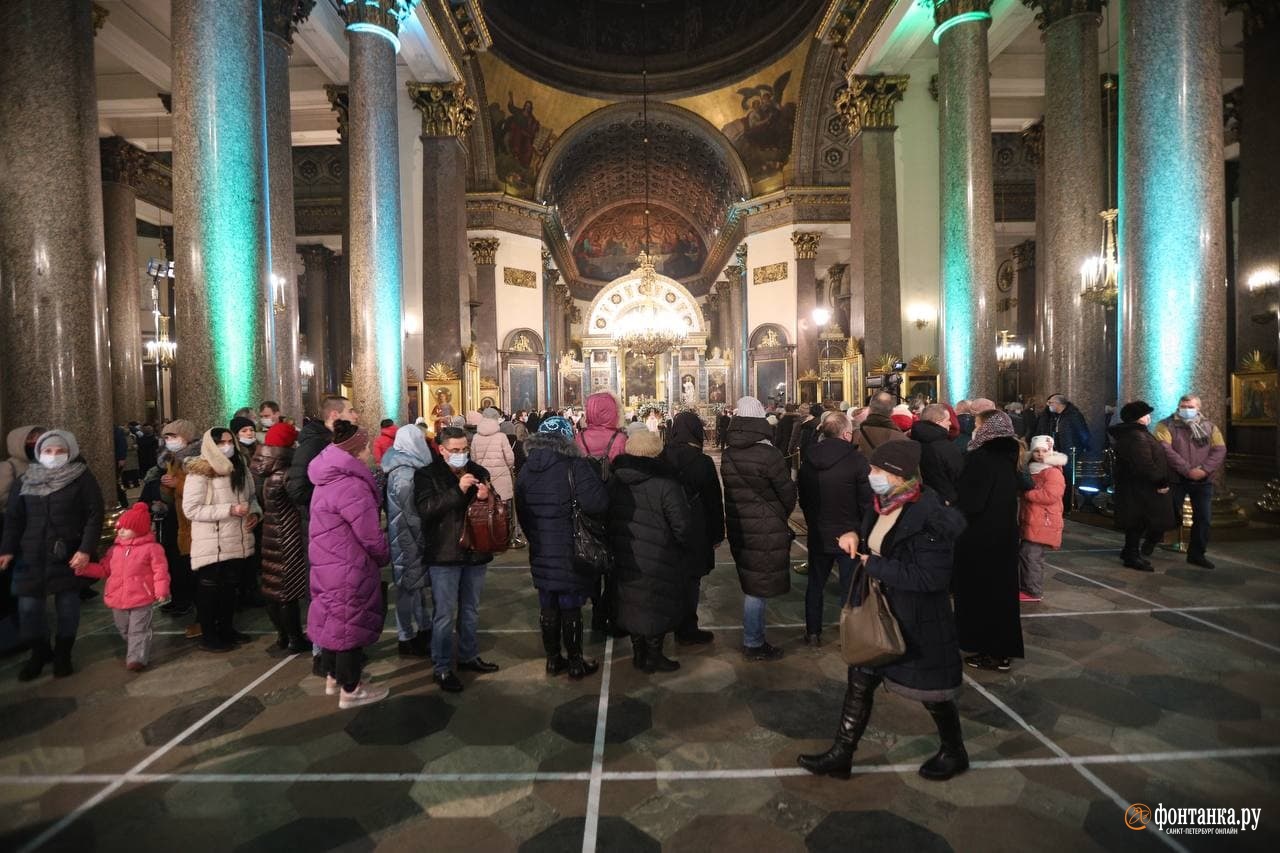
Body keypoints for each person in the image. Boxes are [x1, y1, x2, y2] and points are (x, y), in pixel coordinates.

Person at [797, 440, 969, 782]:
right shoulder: (882, 504)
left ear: (896, 474)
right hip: (881, 611)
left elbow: (930, 577)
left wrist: (873, 565)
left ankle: (954, 751)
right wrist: (853, 538)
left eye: (876, 470)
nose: (870, 474)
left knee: (932, 693)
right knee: (859, 681)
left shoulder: (930, 517)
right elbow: (873, 539)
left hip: (917, 619)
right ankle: (842, 754)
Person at [0, 430, 105, 680]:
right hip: (31, 553)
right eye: (48, 451)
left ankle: (63, 654)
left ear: (70, 452)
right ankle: (40, 651)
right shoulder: (25, 480)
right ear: (38, 453)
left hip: (67, 552)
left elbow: (94, 514)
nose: (54, 456)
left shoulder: (81, 478)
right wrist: (6, 549)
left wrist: (85, 549)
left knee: (68, 606)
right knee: (28, 608)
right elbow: (14, 519)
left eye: (60, 451)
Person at [516, 416, 610, 678]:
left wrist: (536, 535)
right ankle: (576, 662)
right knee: (570, 605)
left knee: (547, 604)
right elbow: (597, 503)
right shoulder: (575, 465)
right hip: (570, 546)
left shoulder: (527, 468)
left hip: (541, 547)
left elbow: (521, 510)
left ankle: (553, 659)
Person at [307, 422, 390, 709]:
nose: (370, 452)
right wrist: (383, 555)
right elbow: (369, 534)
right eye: (366, 447)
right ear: (355, 452)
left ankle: (332, 676)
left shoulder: (325, 478)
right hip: (348, 565)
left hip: (326, 562)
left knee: (333, 620)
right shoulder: (351, 485)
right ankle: (351, 690)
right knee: (349, 628)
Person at [415, 426, 499, 693]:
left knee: (471, 609)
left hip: (475, 550)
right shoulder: (426, 475)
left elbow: (491, 507)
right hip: (444, 554)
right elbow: (426, 509)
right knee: (444, 614)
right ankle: (441, 667)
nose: (461, 454)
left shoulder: (477, 470)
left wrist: (487, 496)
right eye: (455, 450)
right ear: (441, 450)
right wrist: (457, 491)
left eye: (465, 449)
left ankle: (468, 656)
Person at [721, 396, 796, 661]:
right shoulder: (769, 453)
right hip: (766, 525)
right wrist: (778, 515)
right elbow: (787, 493)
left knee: (752, 579)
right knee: (757, 587)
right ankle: (753, 641)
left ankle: (755, 637)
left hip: (740, 524)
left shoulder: (729, 452)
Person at [609, 429, 691, 673]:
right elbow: (682, 524)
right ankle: (653, 656)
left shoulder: (615, 480)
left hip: (625, 553)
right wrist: (679, 546)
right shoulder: (666, 484)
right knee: (657, 604)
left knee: (631, 602)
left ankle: (638, 654)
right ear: (656, 452)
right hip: (660, 556)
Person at [952, 410, 1023, 672]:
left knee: (981, 595)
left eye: (978, 424)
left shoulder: (981, 458)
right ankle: (1000, 650)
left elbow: (972, 501)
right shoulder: (1010, 455)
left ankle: (990, 650)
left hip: (979, 537)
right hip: (1003, 534)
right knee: (1001, 595)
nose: (974, 429)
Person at [797, 411, 873, 645]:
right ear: (847, 434)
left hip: (819, 532)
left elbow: (805, 497)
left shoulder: (808, 459)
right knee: (850, 588)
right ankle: (850, 636)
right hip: (849, 533)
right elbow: (865, 500)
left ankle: (812, 633)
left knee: (815, 585)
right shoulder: (856, 460)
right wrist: (863, 530)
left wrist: (812, 522)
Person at [183, 428, 259, 653]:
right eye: (220, 443)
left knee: (229, 587)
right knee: (209, 589)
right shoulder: (200, 472)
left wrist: (254, 513)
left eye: (229, 441)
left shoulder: (241, 468)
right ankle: (209, 634)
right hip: (212, 540)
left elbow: (251, 497)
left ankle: (227, 629)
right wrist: (230, 509)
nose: (226, 446)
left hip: (237, 537)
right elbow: (191, 509)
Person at [73, 502, 168, 672]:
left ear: (139, 528)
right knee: (124, 628)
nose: (120, 531)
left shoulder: (152, 549)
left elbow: (160, 571)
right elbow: (104, 569)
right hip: (118, 598)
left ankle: (136, 658)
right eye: (120, 528)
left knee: (137, 629)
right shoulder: (114, 550)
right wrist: (84, 569)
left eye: (125, 528)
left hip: (141, 598)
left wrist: (161, 590)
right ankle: (138, 645)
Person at [661, 411, 724, 646]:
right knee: (691, 580)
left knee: (669, 576)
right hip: (696, 527)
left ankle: (667, 622)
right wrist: (717, 533)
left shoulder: (661, 457)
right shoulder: (702, 461)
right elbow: (713, 501)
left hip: (666, 526)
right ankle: (687, 628)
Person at [250, 422, 310, 654]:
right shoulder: (285, 472)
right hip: (288, 535)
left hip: (270, 533)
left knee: (273, 587)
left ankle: (282, 637)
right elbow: (299, 501)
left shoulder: (261, 468)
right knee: (288, 590)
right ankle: (295, 639)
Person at [1153, 394, 1226, 568]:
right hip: (1176, 478)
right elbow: (1165, 450)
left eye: (1190, 406)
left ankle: (1197, 554)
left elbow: (1219, 450)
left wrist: (1203, 470)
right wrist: (1187, 470)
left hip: (1202, 480)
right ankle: (1150, 541)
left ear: (1198, 408)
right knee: (1167, 514)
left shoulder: (1209, 427)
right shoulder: (1165, 425)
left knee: (1203, 518)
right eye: (1183, 406)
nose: (1186, 409)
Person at [382, 424, 434, 657]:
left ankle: (423, 627)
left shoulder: (405, 467)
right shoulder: (404, 473)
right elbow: (412, 513)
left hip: (406, 535)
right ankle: (406, 636)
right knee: (407, 589)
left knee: (415, 587)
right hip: (408, 537)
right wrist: (425, 539)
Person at [1109, 402, 1175, 572]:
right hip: (1140, 486)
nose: (1149, 417)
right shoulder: (1137, 436)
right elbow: (1144, 463)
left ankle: (1129, 552)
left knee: (1137, 521)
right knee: (1137, 522)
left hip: (1135, 485)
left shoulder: (1133, 433)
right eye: (1146, 414)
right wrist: (1160, 481)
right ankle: (1132, 556)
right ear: (1139, 417)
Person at [0, 425, 43, 654]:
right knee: (17, 590)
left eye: (38, 437)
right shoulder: (9, 468)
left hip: (40, 535)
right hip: (16, 535)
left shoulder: (46, 465)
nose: (35, 441)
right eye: (31, 438)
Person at [153, 421, 201, 627]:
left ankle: (188, 600)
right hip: (174, 515)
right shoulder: (171, 459)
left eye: (173, 436)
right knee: (173, 558)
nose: (169, 441)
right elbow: (170, 494)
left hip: (191, 518)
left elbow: (200, 488)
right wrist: (165, 489)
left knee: (186, 562)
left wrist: (178, 484)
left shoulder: (196, 460)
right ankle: (178, 598)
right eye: (167, 437)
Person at [288, 396, 360, 527]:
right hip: (321, 523)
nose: (356, 416)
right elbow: (297, 491)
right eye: (350, 411)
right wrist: (332, 496)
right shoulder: (313, 444)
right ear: (334, 414)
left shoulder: (338, 441)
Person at [1018, 436, 1067, 602]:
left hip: (1043, 520)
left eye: (1044, 451)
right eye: (1036, 451)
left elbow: (1050, 495)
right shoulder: (1031, 469)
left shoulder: (1052, 471)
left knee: (1031, 556)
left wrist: (1027, 494)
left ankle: (1033, 591)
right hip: (1033, 518)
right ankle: (1028, 587)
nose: (1040, 454)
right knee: (1027, 554)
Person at [1034, 394, 1091, 515]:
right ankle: (1061, 502)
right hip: (1058, 450)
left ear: (1059, 404)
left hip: (1070, 451)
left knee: (1068, 478)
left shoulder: (1073, 415)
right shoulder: (1055, 416)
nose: (1048, 405)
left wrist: (1082, 447)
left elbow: (1083, 432)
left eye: (1051, 403)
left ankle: (1069, 505)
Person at [471, 408, 520, 547]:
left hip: (484, 480)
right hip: (501, 478)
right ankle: (505, 538)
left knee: (486, 509)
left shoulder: (475, 437)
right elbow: (510, 459)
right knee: (504, 510)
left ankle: (488, 537)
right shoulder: (501, 436)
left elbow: (473, 459)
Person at [911, 403, 963, 505]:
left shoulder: (910, 442)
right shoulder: (946, 447)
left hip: (919, 500)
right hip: (946, 501)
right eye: (947, 420)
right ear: (938, 422)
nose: (950, 423)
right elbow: (959, 475)